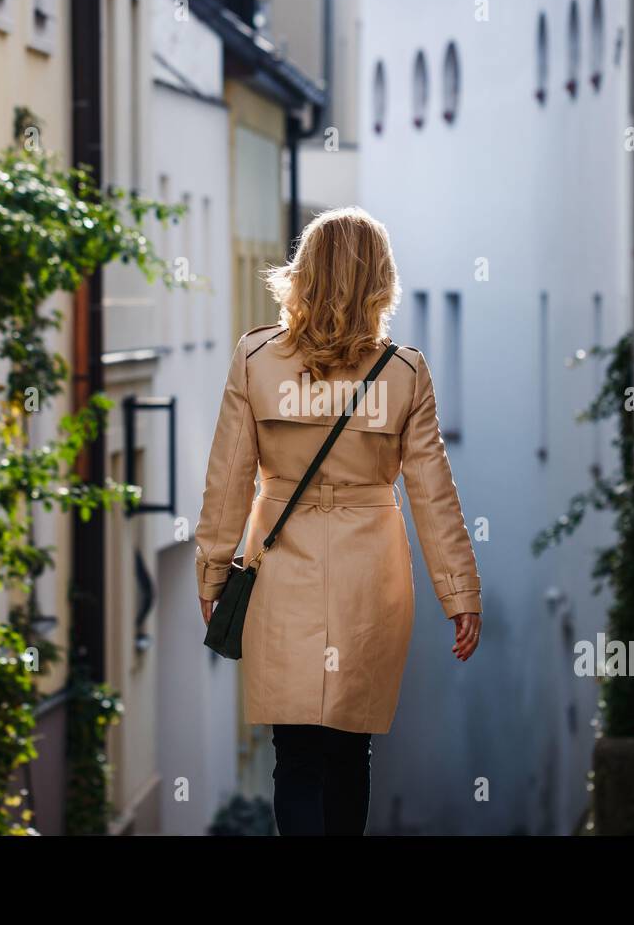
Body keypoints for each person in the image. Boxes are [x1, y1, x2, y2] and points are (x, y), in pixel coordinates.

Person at [194, 206, 482, 836]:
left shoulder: (257, 359)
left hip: (278, 568)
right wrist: (458, 592)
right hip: (368, 571)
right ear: (381, 279)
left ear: (302, 274)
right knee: (351, 749)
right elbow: (433, 492)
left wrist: (213, 571)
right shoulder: (404, 373)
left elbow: (228, 480)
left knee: (294, 755)